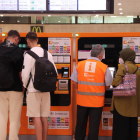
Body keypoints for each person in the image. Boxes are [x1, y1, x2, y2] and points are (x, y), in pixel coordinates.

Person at [71, 44, 113, 140]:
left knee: (80, 125)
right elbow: (107, 85)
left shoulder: (79, 65)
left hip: (82, 101)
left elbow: (74, 83)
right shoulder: (104, 67)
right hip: (96, 103)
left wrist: (84, 89)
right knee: (93, 127)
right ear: (101, 56)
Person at [22, 32, 57, 140]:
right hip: (46, 90)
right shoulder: (48, 54)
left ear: (28, 41)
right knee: (44, 117)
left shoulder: (28, 55)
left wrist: (24, 86)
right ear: (37, 40)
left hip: (33, 90)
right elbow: (55, 72)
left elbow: (25, 74)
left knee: (36, 117)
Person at [111, 48, 140, 140]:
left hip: (122, 105)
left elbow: (115, 83)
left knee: (120, 130)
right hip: (134, 105)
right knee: (132, 130)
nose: (120, 58)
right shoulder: (137, 68)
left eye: (121, 56)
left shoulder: (123, 67)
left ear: (125, 56)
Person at [0, 30, 24, 140]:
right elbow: (21, 72)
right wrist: (23, 85)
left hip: (0, 89)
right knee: (14, 117)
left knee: (1, 117)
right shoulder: (18, 50)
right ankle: (13, 138)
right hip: (16, 88)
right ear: (16, 38)